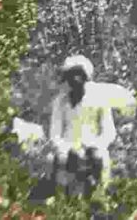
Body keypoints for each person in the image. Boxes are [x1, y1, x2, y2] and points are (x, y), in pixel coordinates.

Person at [47, 55, 116, 201]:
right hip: (68, 147)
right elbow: (55, 134)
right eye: (72, 75)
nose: (76, 79)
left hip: (92, 146)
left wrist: (94, 145)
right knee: (58, 161)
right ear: (67, 78)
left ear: (86, 77)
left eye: (80, 75)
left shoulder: (99, 99)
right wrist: (66, 148)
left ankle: (99, 199)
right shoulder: (60, 102)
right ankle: (63, 202)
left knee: (99, 159)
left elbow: (109, 132)